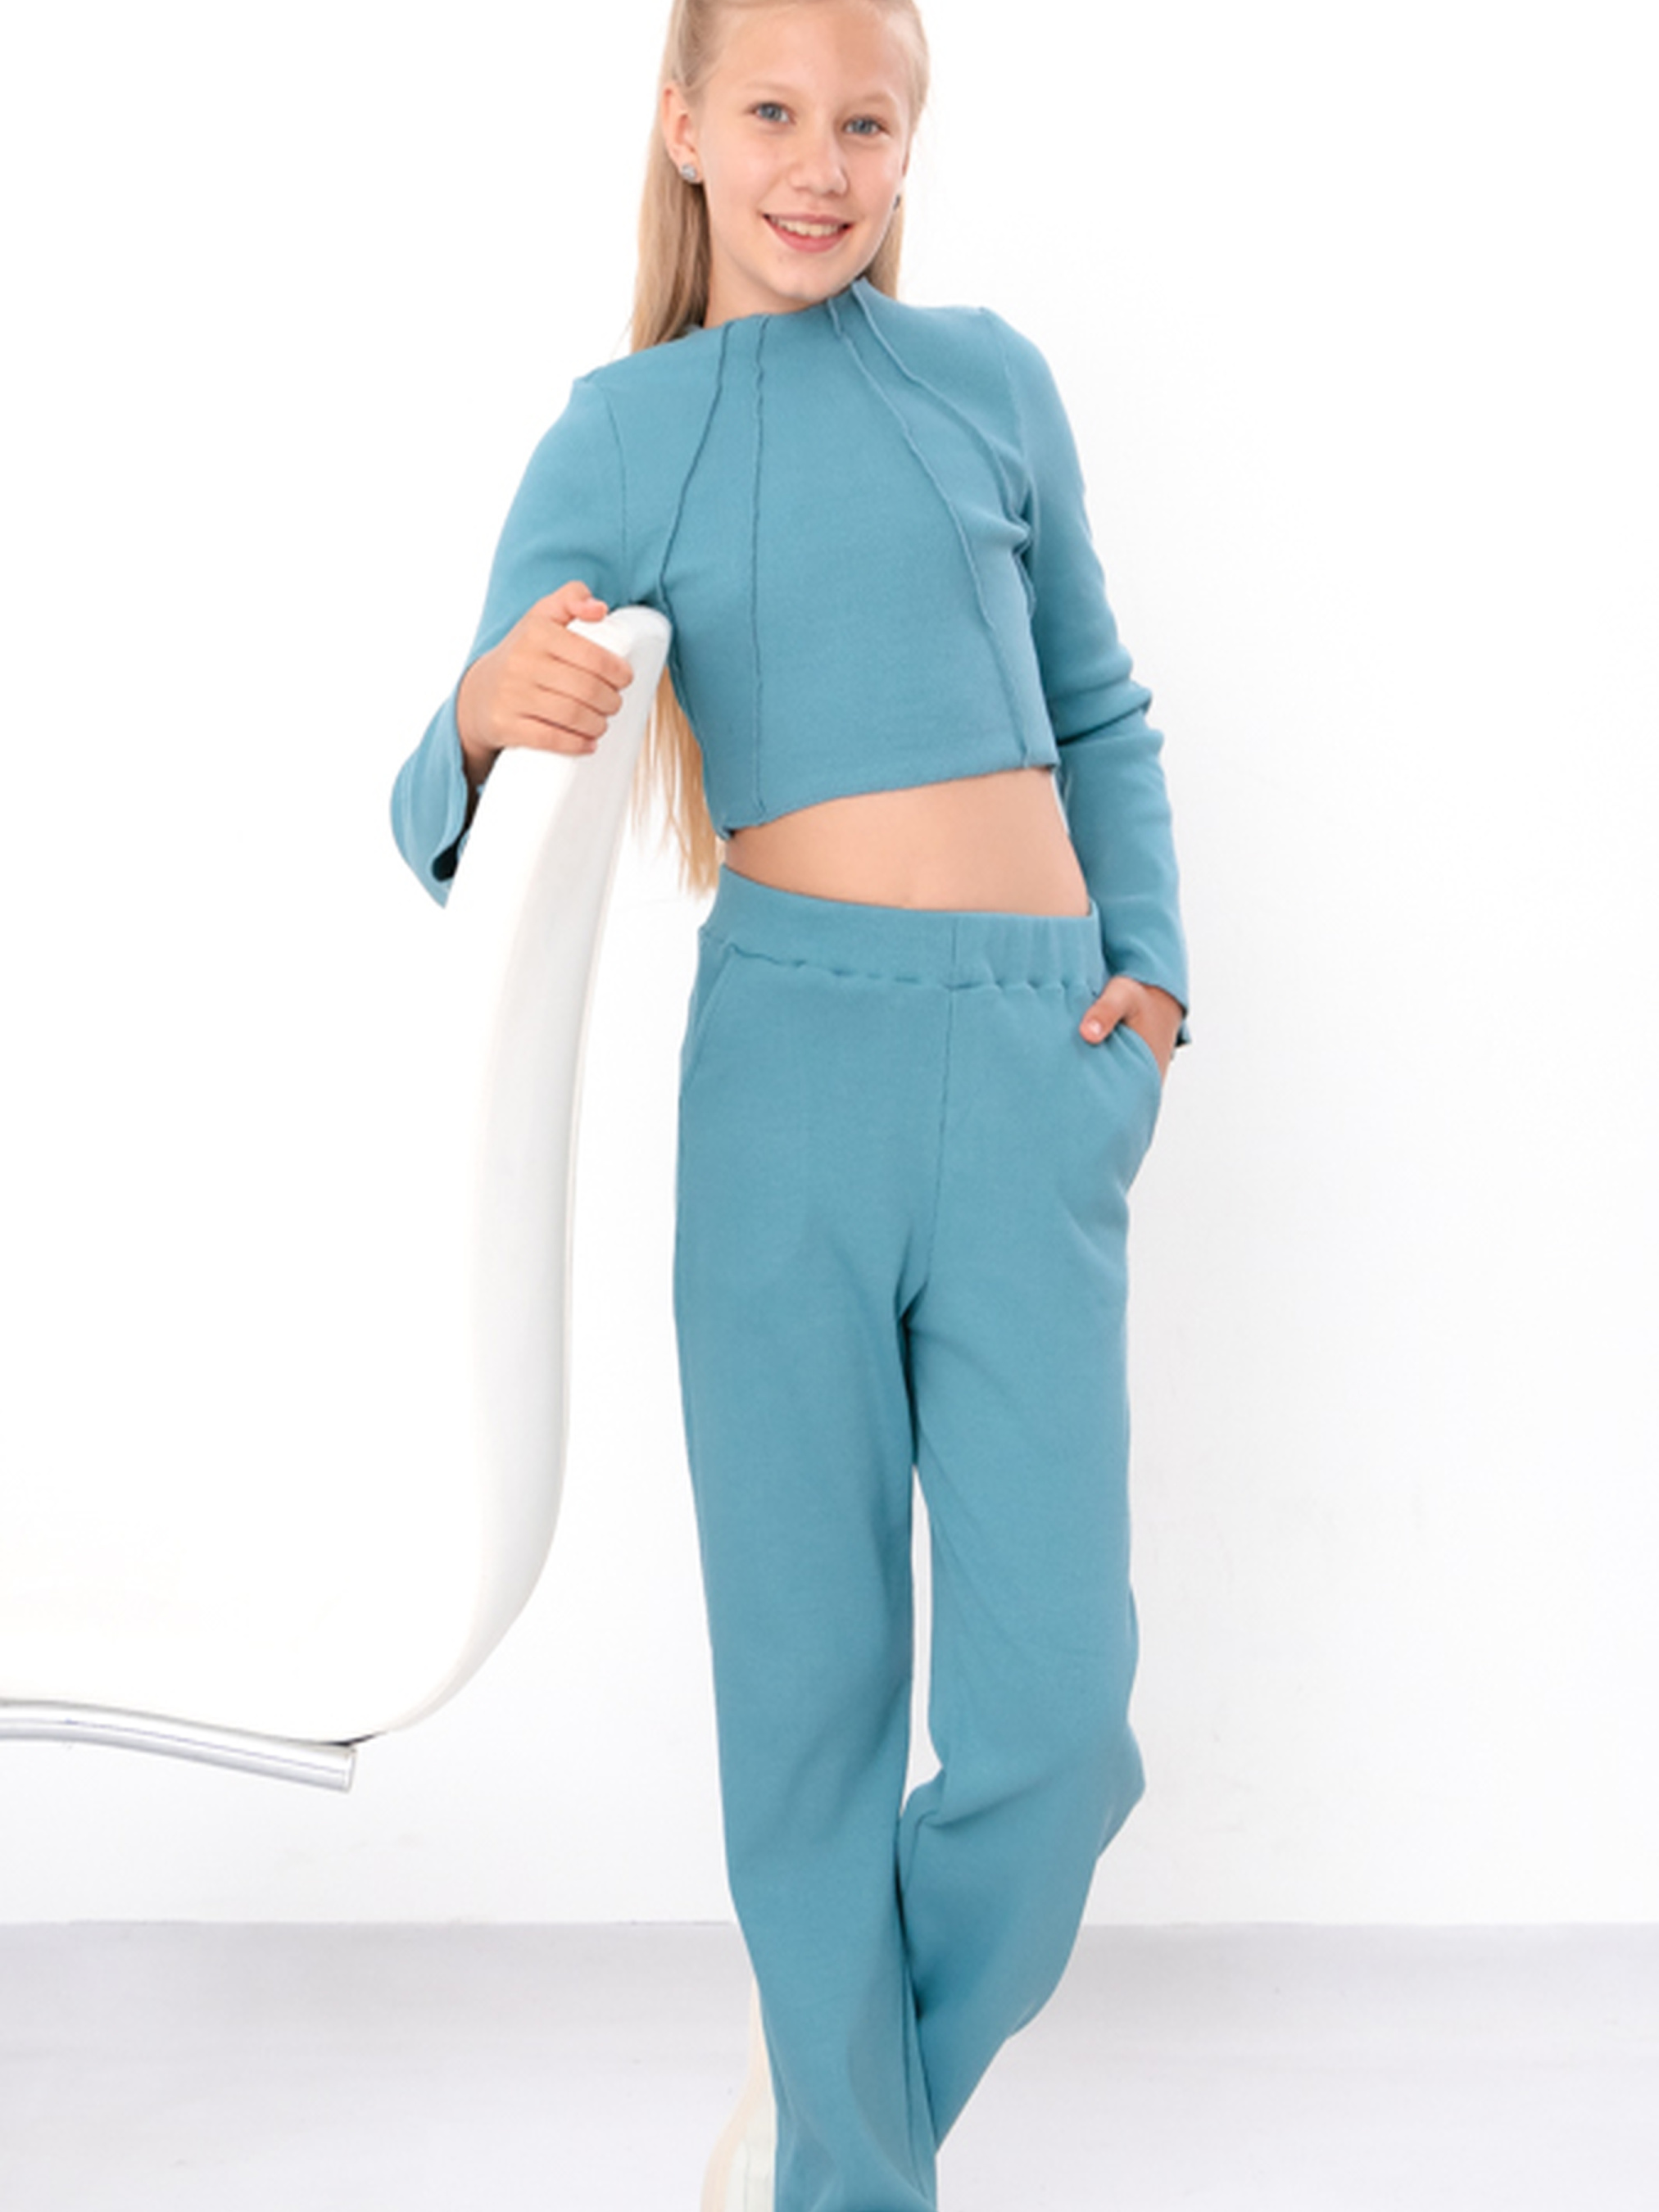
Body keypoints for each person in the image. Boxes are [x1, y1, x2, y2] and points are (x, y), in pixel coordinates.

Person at [390, 2, 1190, 2205]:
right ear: (682, 129)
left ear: (911, 145)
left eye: (865, 118)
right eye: (770, 111)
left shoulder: (991, 384)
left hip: (1034, 1069)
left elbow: (1101, 708)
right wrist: (481, 706)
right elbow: (432, 798)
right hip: (788, 1093)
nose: (819, 163)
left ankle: (836, 2106)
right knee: (812, 1702)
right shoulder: (625, 429)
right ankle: (848, 2170)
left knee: (1057, 1735)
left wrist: (1147, 989)